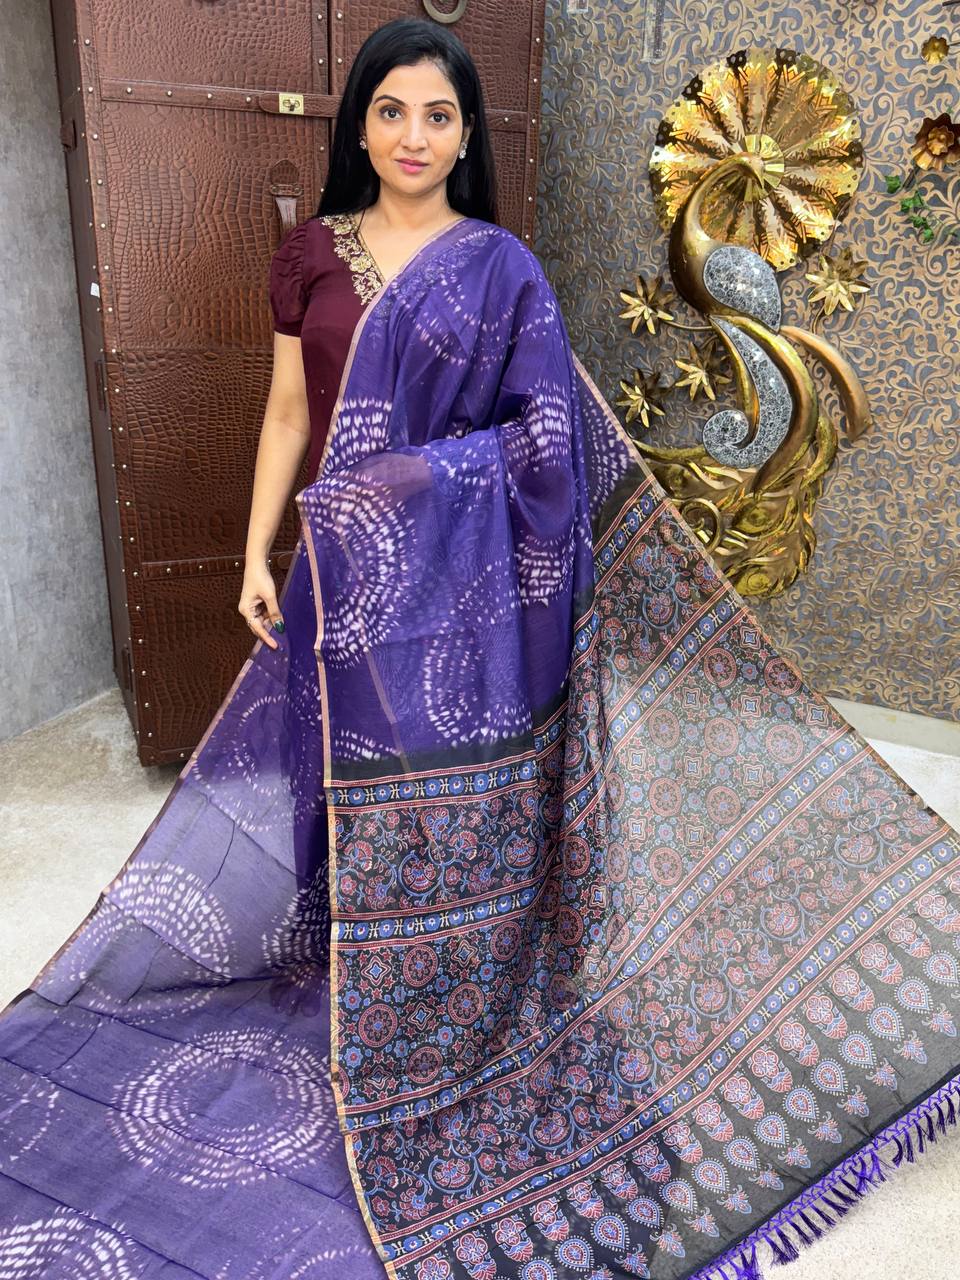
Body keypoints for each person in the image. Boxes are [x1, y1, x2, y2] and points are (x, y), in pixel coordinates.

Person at [2, 16, 960, 1280]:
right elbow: (287, 411)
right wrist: (255, 551)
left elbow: (546, 440)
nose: (414, 136)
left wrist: (415, 481)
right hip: (344, 577)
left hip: (468, 599)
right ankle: (358, 967)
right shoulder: (309, 256)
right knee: (333, 782)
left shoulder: (500, 269)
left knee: (451, 793)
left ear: (466, 136)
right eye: (391, 110)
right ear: (358, 125)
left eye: (439, 115)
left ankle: (455, 983)